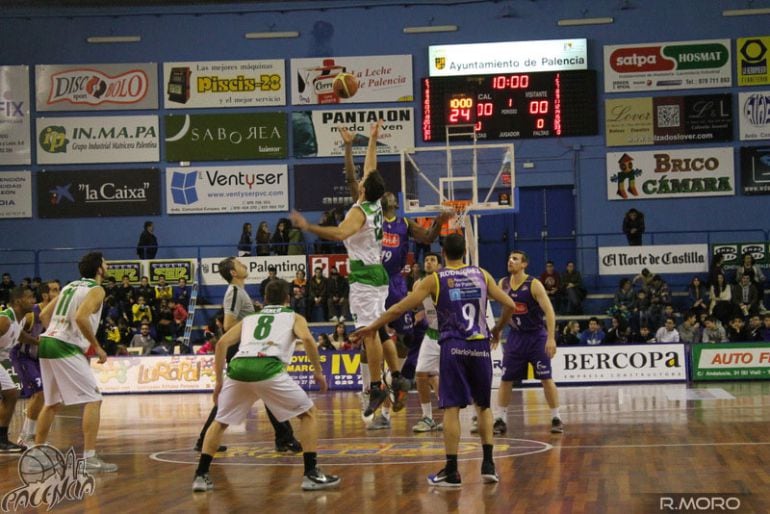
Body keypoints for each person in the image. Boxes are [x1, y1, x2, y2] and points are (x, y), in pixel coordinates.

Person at [351, 234, 515, 487]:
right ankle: (489, 465)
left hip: (453, 345)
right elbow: (510, 304)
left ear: (442, 253)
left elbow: (398, 309)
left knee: (451, 409)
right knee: (483, 407)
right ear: (466, 250)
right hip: (480, 345)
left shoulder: (436, 279)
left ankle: (451, 471)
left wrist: (371, 327)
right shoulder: (482, 274)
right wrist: (497, 329)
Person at [291, 120, 409, 422]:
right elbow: (369, 167)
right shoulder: (376, 205)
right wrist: (363, 141)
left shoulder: (359, 212)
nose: (356, 179)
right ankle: (396, 376)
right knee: (380, 329)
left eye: (360, 180)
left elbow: (340, 234)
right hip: (379, 274)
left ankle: (375, 387)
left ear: (363, 189)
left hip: (365, 278)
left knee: (367, 331)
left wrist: (309, 227)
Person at [192, 280, 340, 492]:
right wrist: (318, 372)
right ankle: (311, 473)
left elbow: (222, 343)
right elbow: (307, 339)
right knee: (308, 415)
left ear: (265, 300)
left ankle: (201, 475)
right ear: (288, 299)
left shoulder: (250, 318)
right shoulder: (294, 317)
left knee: (220, 421)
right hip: (268, 367)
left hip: (239, 368)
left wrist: (218, 382)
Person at [194, 257, 300, 453]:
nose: (244, 265)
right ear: (233, 273)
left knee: (264, 390)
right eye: (239, 264)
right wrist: (250, 325)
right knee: (243, 394)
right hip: (240, 348)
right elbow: (228, 325)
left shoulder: (239, 292)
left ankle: (284, 437)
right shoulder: (233, 292)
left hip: (244, 347)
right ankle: (204, 439)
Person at [34, 252, 117, 471]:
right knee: (94, 399)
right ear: (99, 269)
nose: (108, 265)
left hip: (47, 341)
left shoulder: (69, 286)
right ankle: (89, 458)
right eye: (105, 262)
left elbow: (43, 316)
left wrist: (58, 330)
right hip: (64, 345)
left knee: (51, 403)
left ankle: (36, 455)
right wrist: (97, 347)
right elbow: (81, 317)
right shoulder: (97, 289)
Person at [494, 250, 563, 436]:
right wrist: (497, 332)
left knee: (545, 378)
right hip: (515, 336)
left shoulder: (534, 284)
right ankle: (500, 419)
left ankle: (556, 417)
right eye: (509, 258)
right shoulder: (503, 284)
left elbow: (549, 311)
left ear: (524, 264)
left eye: (515, 259)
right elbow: (504, 311)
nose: (510, 260)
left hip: (536, 336)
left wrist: (550, 338)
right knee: (506, 379)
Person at [11, 281, 60, 448]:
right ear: (45, 295)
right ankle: (25, 436)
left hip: (41, 358)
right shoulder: (32, 314)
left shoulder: (57, 314)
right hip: (23, 356)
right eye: (54, 290)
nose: (58, 293)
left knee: (47, 397)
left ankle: (32, 435)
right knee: (39, 393)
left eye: (59, 290)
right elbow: (16, 332)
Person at [0, 287, 37, 452]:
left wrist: (37, 342)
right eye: (28, 297)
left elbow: (20, 335)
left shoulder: (21, 319)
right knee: (11, 393)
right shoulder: (4, 319)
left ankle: (2, 439)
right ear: (17, 302)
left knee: (12, 394)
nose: (32, 300)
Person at [411, 252, 443, 433]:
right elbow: (418, 306)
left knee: (447, 379)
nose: (429, 262)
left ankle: (451, 416)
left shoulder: (445, 281)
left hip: (449, 335)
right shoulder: (418, 284)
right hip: (431, 335)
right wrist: (417, 315)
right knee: (421, 375)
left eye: (433, 260)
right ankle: (427, 417)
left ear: (439, 265)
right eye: (427, 260)